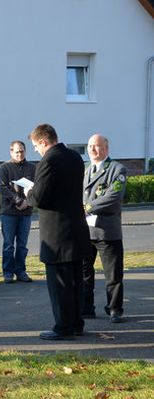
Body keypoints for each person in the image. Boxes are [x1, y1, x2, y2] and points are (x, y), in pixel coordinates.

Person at [25, 123, 90, 340]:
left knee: (59, 283)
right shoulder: (74, 157)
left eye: (36, 145)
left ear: (44, 141)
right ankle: (76, 323)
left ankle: (63, 327)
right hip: (76, 228)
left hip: (57, 232)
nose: (36, 150)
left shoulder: (49, 160)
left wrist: (28, 191)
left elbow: (39, 197)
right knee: (75, 282)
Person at [82, 134, 127, 323]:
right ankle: (86, 308)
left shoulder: (117, 169)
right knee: (84, 273)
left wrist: (88, 207)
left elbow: (113, 196)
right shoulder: (85, 170)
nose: (93, 149)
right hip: (85, 230)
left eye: (97, 146)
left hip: (107, 230)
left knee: (113, 274)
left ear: (106, 149)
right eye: (90, 146)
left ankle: (114, 309)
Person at [0, 140, 36, 283]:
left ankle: (21, 271)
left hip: (26, 213)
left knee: (22, 244)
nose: (20, 154)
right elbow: (3, 188)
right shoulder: (4, 168)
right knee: (8, 244)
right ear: (11, 152)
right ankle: (8, 273)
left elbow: (37, 188)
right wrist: (18, 201)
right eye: (17, 151)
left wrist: (27, 203)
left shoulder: (32, 168)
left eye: (22, 151)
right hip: (9, 213)